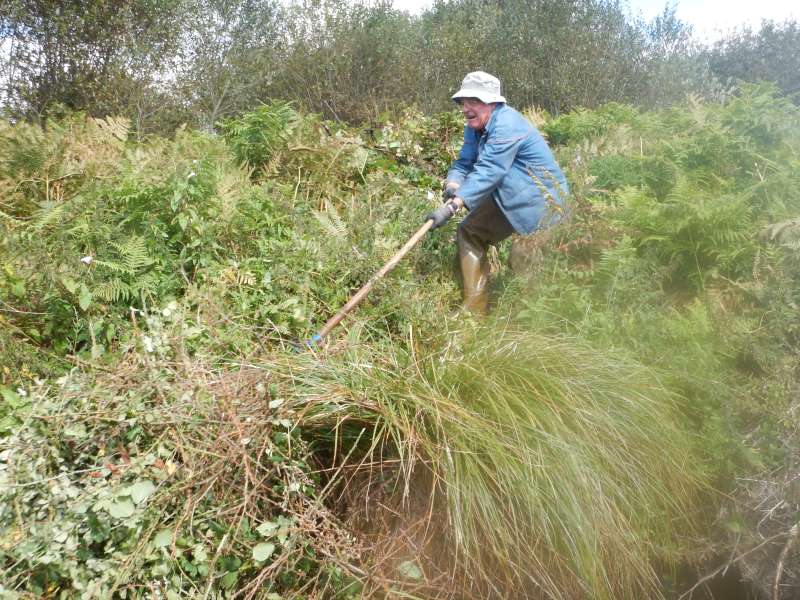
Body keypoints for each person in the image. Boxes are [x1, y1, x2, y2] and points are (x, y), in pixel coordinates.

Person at [427, 71, 569, 313]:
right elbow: (464, 163)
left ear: (492, 102)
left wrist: (453, 206)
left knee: (523, 259)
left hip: (542, 201)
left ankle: (533, 324)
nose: (466, 108)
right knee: (470, 231)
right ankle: (474, 311)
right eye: (463, 103)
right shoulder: (474, 128)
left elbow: (490, 169)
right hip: (509, 197)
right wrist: (452, 186)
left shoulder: (508, 124)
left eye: (473, 102)